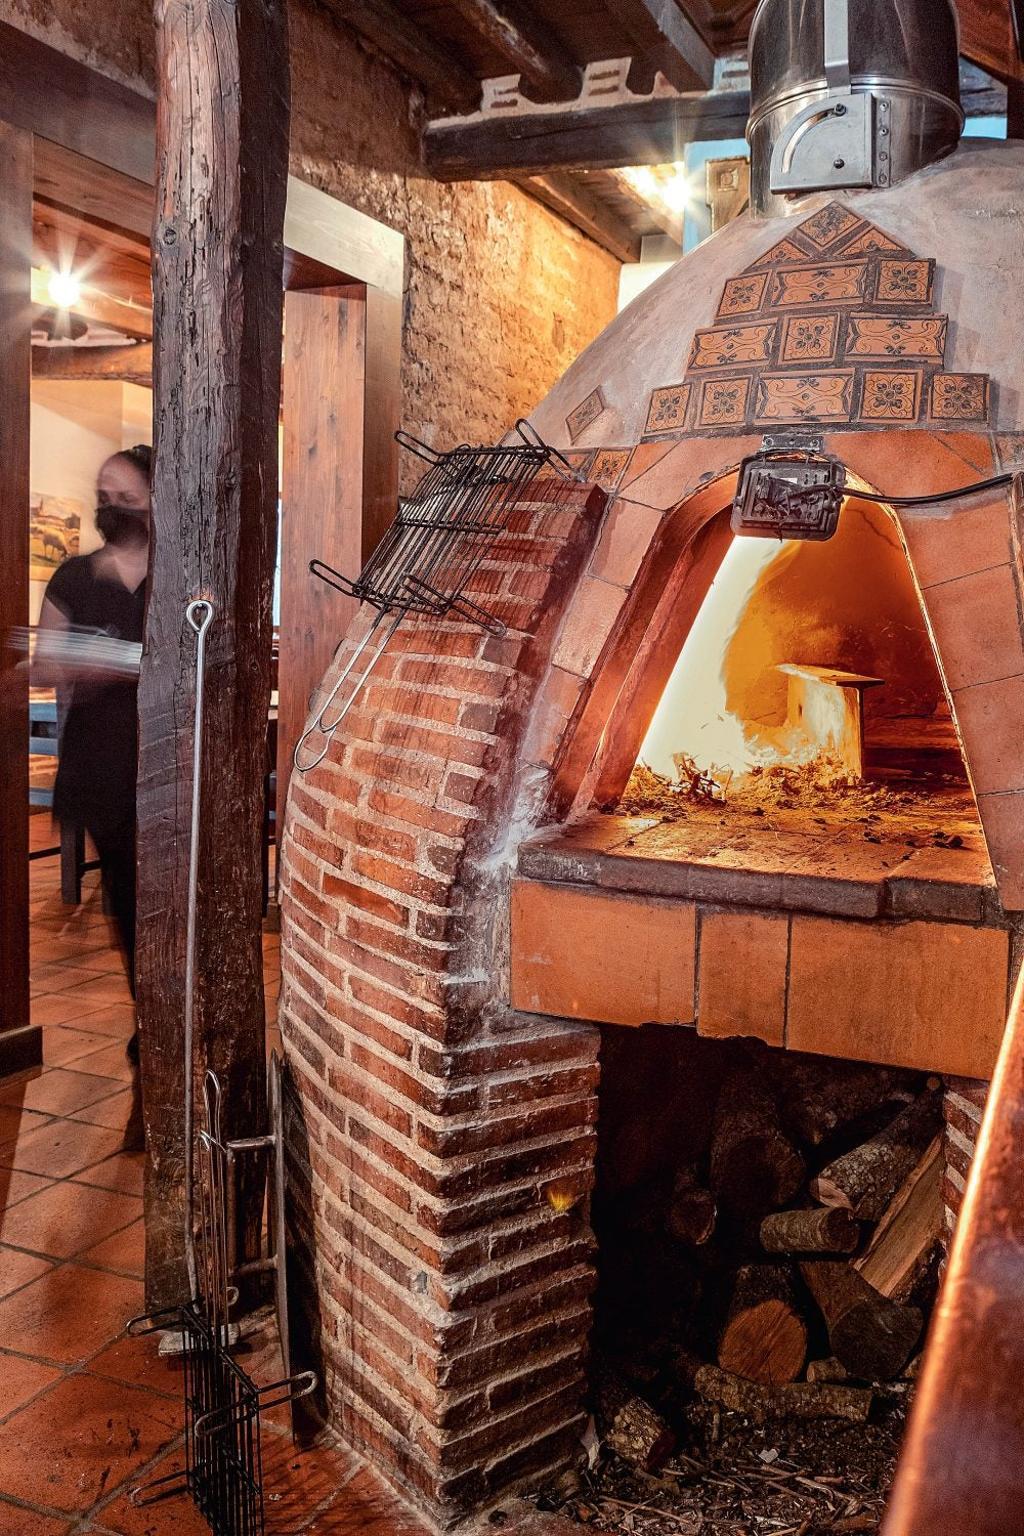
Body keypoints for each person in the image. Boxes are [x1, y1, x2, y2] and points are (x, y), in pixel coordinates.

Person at [35, 445, 151, 1144]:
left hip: (170, 766)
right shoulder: (75, 575)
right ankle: (149, 1068)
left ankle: (164, 1061)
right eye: (104, 492)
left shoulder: (181, 571)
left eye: (125, 492)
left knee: (162, 925)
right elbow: (44, 659)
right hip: (103, 769)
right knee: (134, 924)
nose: (111, 503)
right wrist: (93, 660)